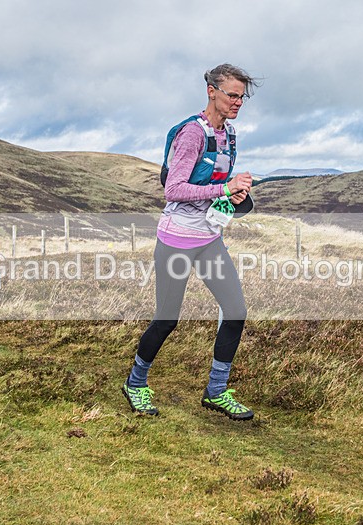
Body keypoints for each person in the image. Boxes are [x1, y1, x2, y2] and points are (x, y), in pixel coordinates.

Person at [122, 63, 260, 420]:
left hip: (209, 239)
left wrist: (237, 199)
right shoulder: (192, 134)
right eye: (232, 95)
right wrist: (224, 188)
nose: (237, 103)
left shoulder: (229, 135)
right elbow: (174, 189)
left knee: (236, 312)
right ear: (211, 91)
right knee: (167, 318)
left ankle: (216, 392)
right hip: (176, 240)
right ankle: (135, 383)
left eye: (242, 98)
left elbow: (214, 191)